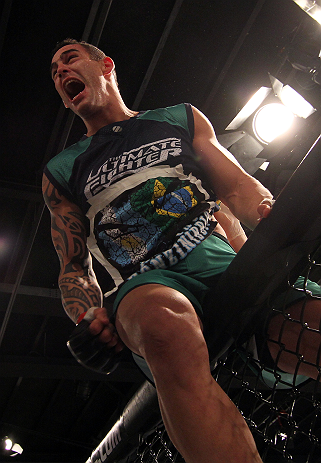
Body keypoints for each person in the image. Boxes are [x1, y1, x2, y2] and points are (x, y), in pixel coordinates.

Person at [42, 38, 320, 463]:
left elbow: (237, 185)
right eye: (55, 72)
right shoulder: (62, 169)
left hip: (222, 263)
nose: (61, 73)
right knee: (162, 324)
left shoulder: (179, 118)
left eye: (69, 60)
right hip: (147, 284)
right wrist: (86, 314)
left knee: (312, 326)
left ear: (105, 67)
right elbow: (72, 265)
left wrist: (267, 211)